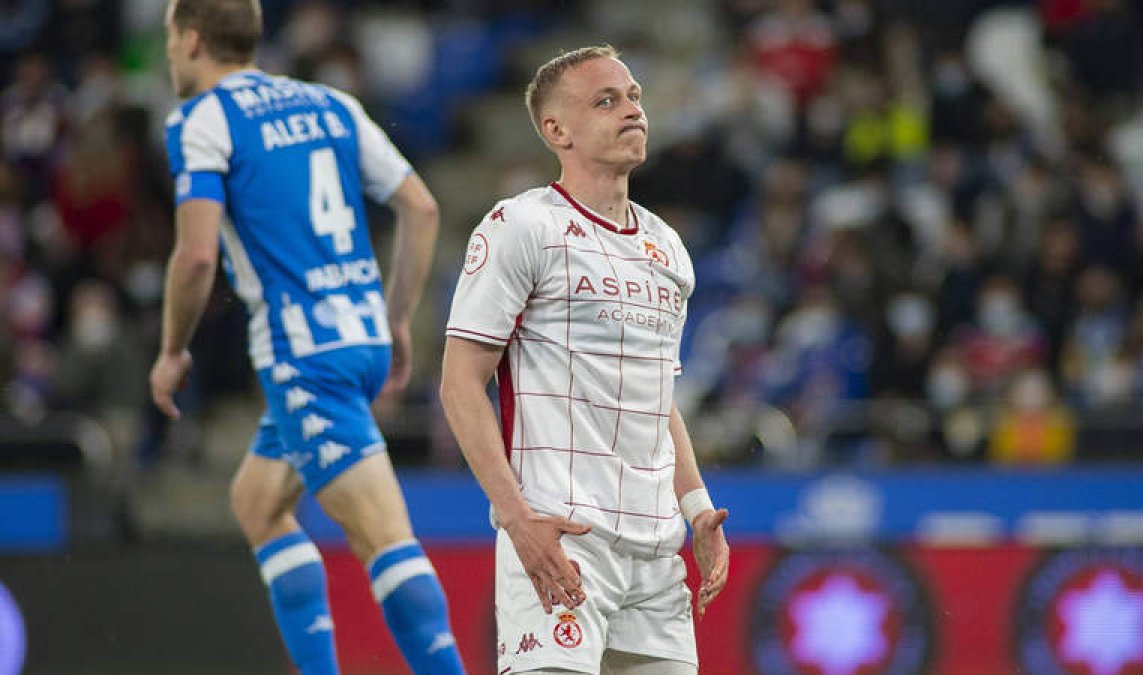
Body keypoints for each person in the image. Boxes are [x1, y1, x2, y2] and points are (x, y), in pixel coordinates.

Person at [147, 1, 465, 673]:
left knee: (384, 536)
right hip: (360, 339)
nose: (170, 54)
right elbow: (422, 206)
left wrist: (173, 350)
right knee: (258, 500)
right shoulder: (331, 106)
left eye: (171, 39)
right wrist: (397, 315)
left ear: (193, 38)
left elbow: (197, 256)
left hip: (303, 357)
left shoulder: (202, 120)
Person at [440, 45, 730, 675]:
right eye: (607, 101)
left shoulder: (667, 247)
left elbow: (659, 399)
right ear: (557, 130)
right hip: (562, 540)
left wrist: (696, 507)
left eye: (634, 97)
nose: (632, 110)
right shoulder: (520, 226)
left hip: (656, 556)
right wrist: (517, 521)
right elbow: (460, 384)